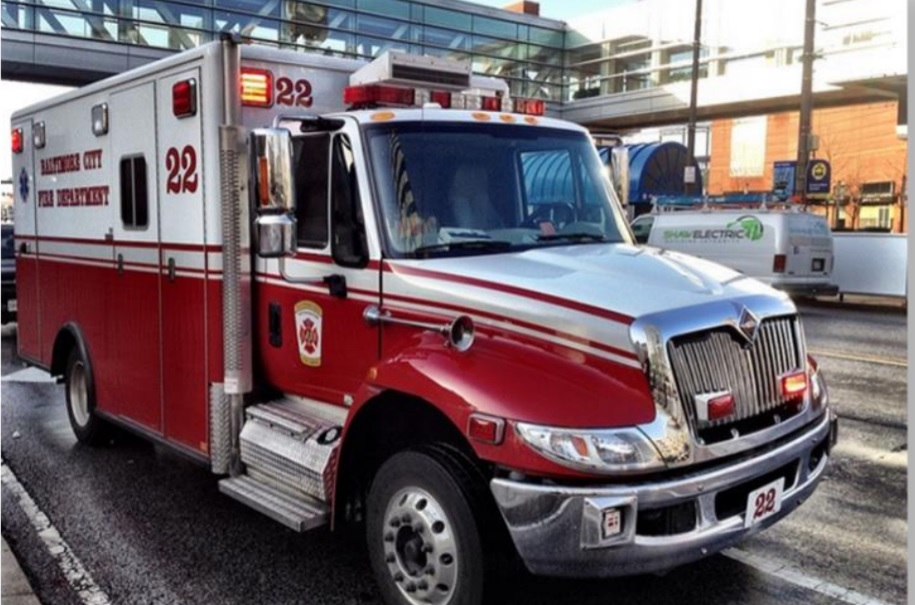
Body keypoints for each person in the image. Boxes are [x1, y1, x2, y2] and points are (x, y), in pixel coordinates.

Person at [450, 163, 501, 230]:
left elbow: (501, 231)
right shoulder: (449, 214)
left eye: (479, 178)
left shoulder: (485, 205)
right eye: (466, 178)